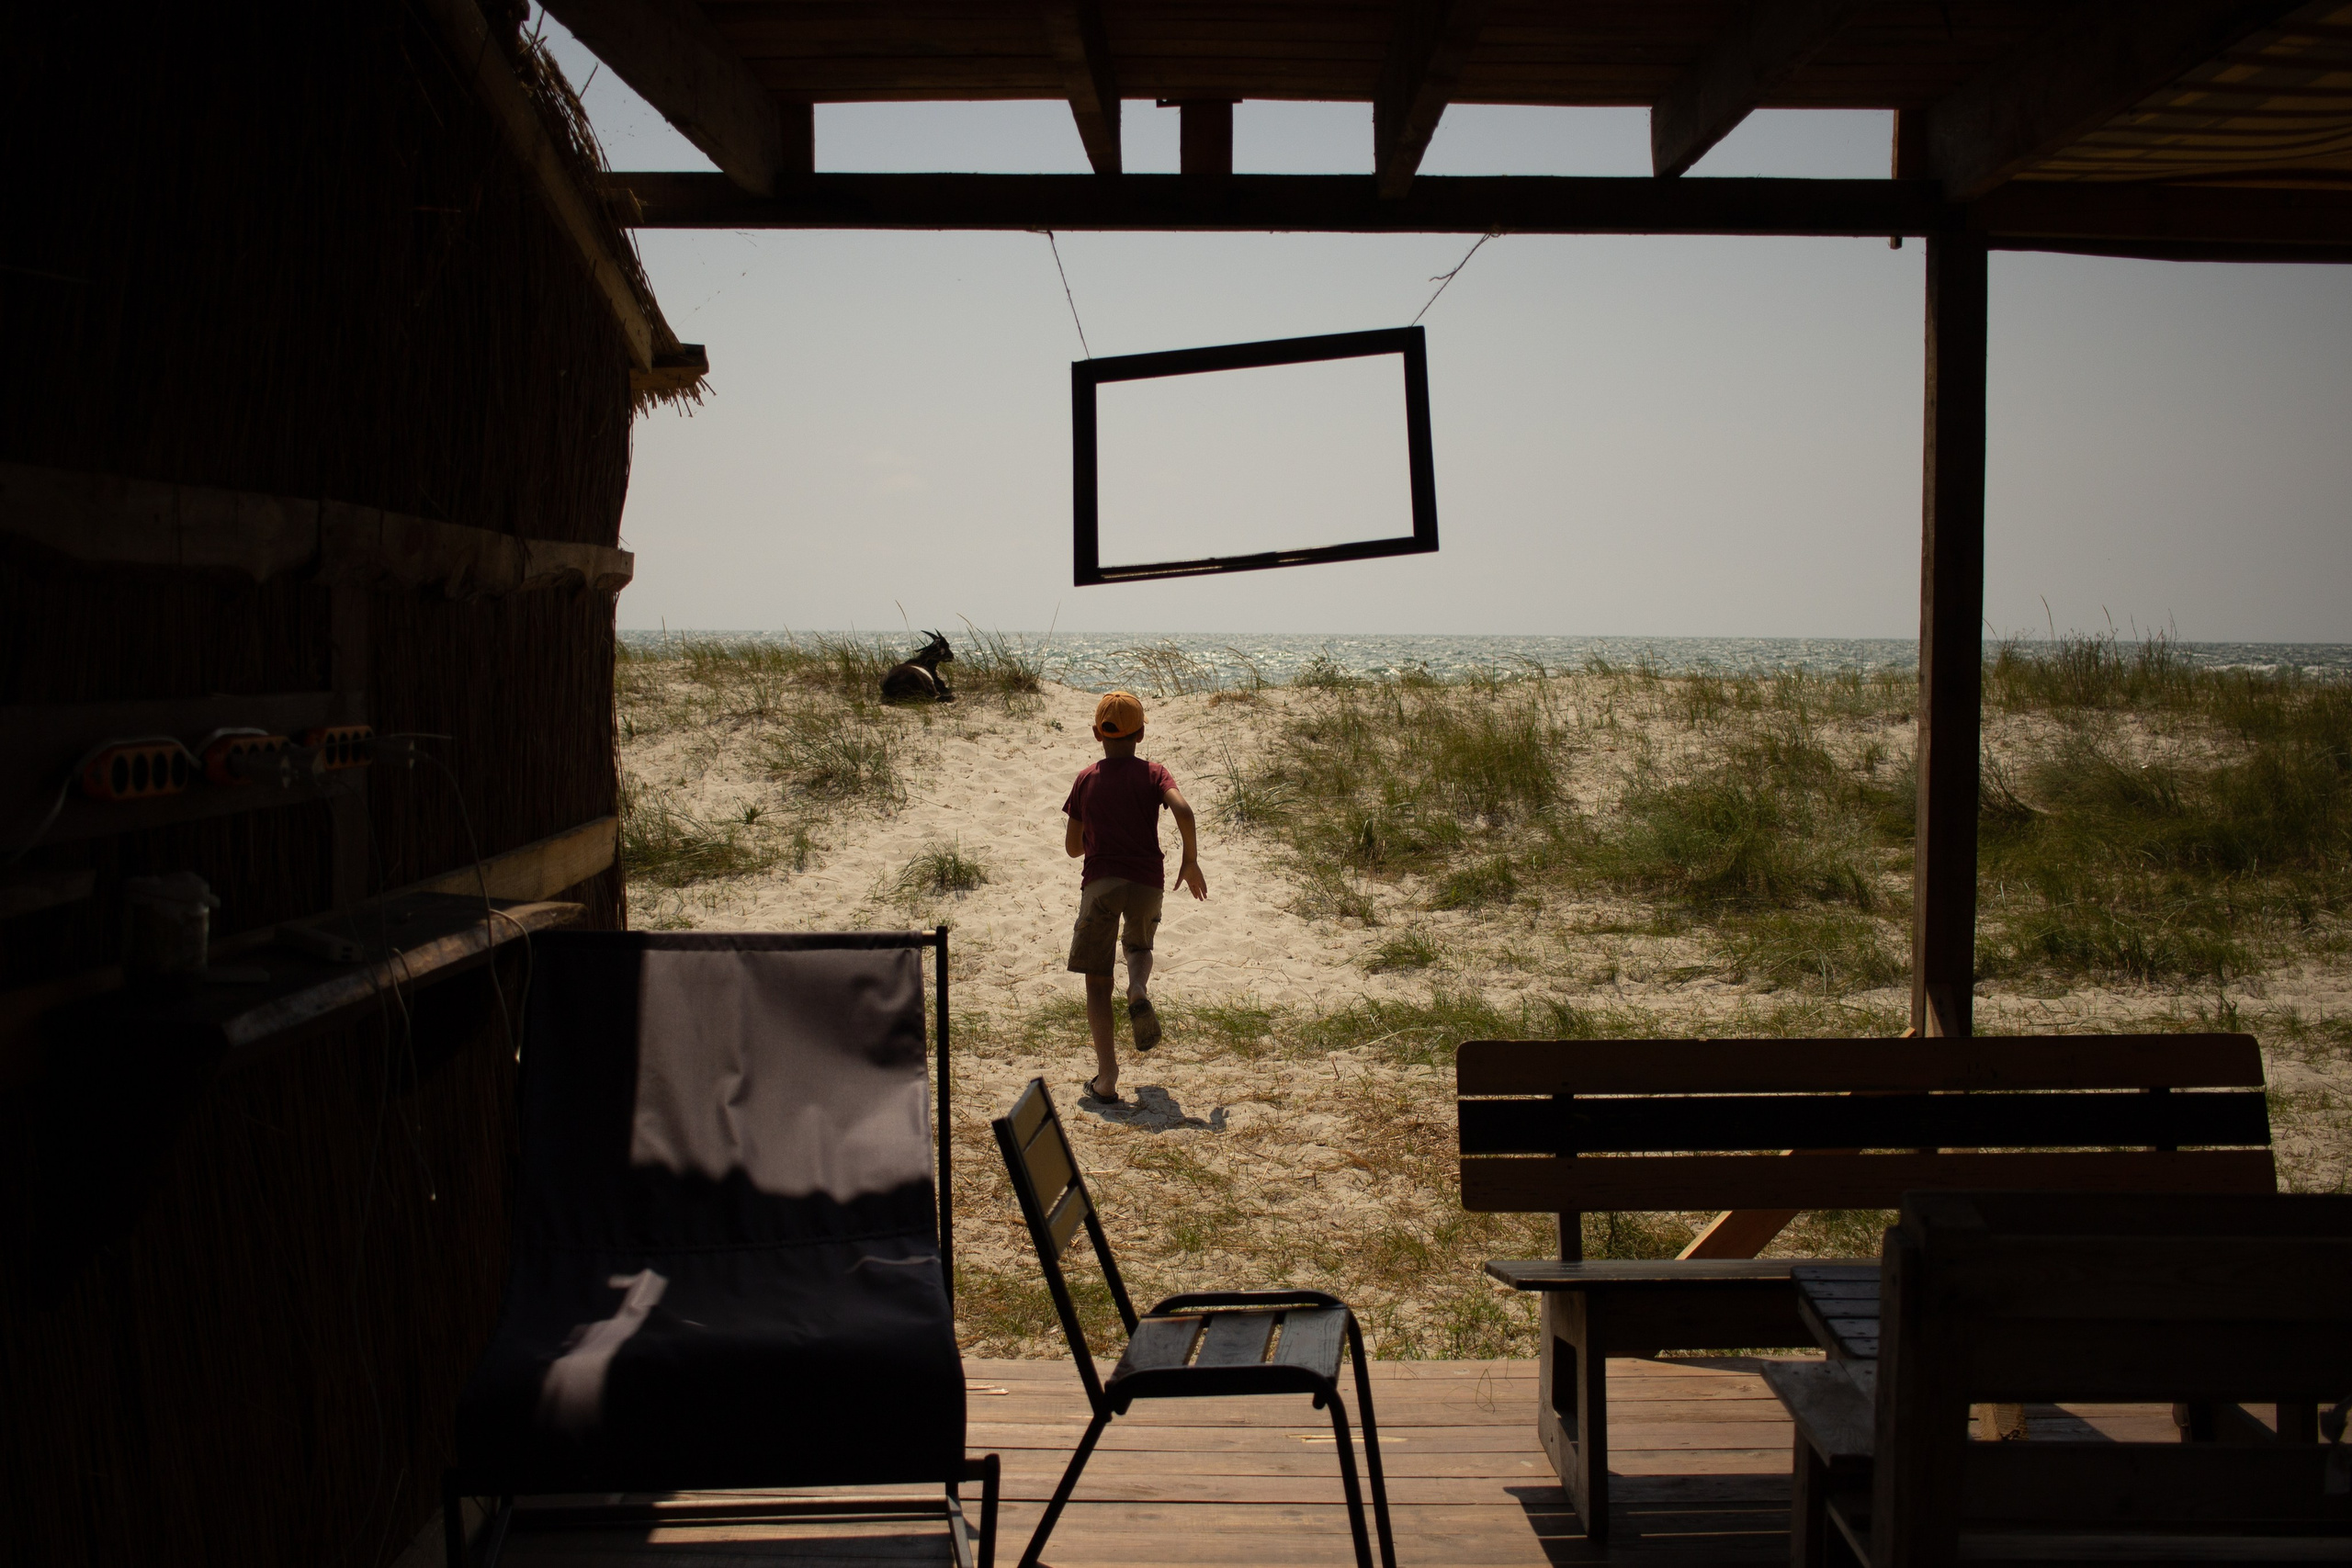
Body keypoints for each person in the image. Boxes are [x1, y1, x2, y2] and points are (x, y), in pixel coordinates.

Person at [1061, 690, 1207, 1103]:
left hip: (1102, 883)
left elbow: (1073, 848)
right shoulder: (1155, 774)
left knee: (1096, 978)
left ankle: (1107, 1078)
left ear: (1096, 734)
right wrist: (1190, 860)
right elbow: (1184, 811)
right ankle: (1138, 988)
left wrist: (1094, 835)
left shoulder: (1087, 780)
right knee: (1140, 945)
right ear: (1141, 734)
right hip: (1147, 881)